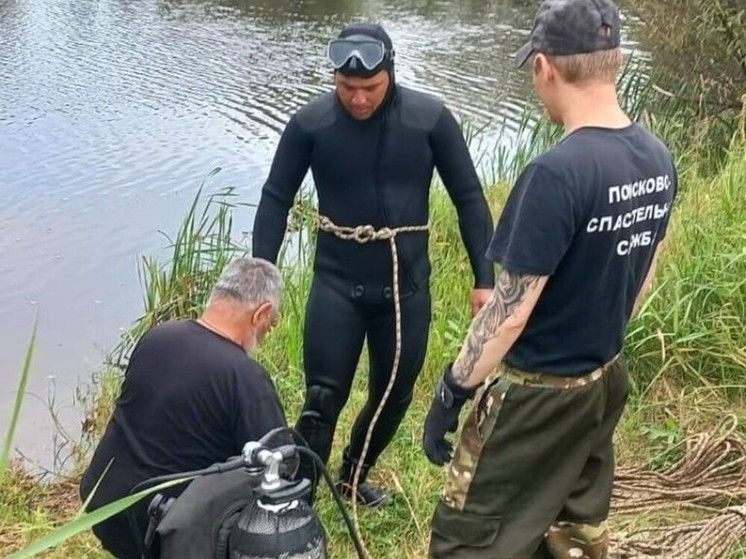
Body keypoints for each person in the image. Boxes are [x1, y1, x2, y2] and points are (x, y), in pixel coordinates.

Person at [422, 0, 678, 557]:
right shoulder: (657, 157)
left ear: (545, 67)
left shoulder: (555, 173)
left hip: (537, 393)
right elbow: (642, 274)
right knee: (573, 528)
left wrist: (453, 390)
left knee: (469, 535)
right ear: (614, 61)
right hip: (603, 377)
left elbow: (509, 311)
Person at [252, 22, 495, 507]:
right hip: (336, 284)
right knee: (322, 398)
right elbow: (276, 199)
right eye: (347, 88)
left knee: (394, 396)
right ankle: (300, 501)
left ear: (391, 73)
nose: (358, 99)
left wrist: (484, 280)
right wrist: (263, 279)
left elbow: (469, 198)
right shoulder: (310, 124)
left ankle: (353, 476)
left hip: (406, 289)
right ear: (334, 80)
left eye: (370, 88)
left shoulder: (430, 121)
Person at [80, 257, 287, 559]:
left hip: (104, 504)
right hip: (164, 527)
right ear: (261, 313)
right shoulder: (245, 377)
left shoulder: (158, 337)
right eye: (273, 321)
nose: (269, 332)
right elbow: (278, 467)